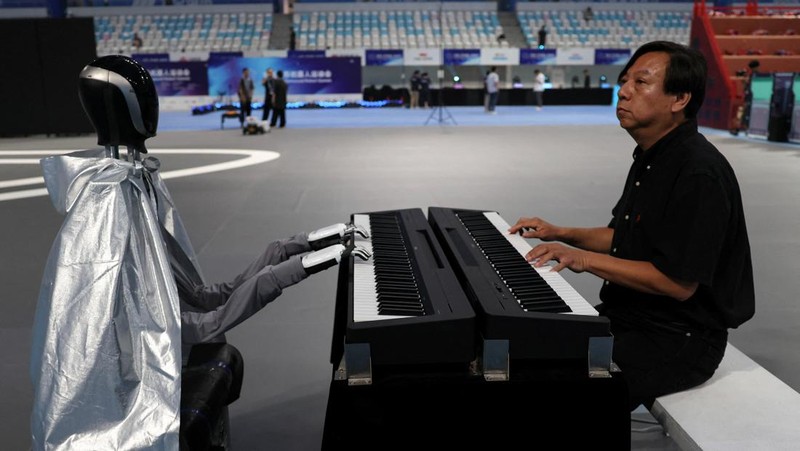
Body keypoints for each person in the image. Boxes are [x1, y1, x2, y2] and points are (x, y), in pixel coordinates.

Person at [32, 54, 369, 449]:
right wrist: (310, 264)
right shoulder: (108, 200)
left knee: (222, 295)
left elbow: (200, 294)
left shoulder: (136, 179)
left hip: (156, 320)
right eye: (145, 98)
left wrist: (313, 243)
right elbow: (188, 323)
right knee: (216, 315)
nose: (153, 108)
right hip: (134, 347)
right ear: (120, 106)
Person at [508, 41, 755, 412]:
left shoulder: (699, 173)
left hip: (679, 339)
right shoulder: (653, 155)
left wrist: (582, 259)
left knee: (549, 390)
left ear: (679, 99)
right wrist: (559, 232)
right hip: (630, 318)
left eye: (641, 82)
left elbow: (676, 283)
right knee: (525, 353)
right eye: (625, 80)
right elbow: (624, 238)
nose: (623, 91)